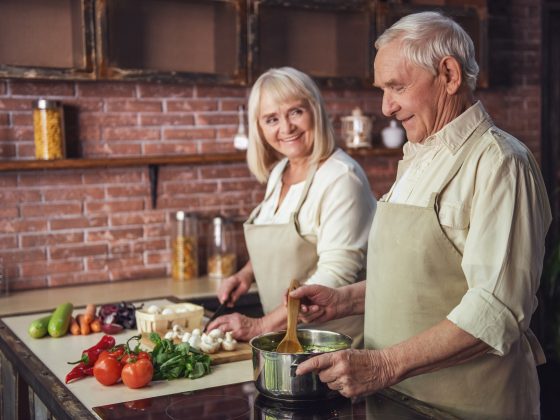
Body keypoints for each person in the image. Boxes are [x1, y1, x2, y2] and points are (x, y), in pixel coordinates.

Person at [291, 11, 552, 420]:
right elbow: (422, 281)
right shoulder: (419, 156)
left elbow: (496, 309)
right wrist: (343, 300)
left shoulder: (501, 163)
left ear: (448, 75)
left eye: (397, 86)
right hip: (398, 400)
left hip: (464, 409)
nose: (386, 107)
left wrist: (383, 365)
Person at [206, 67, 376, 347]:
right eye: (271, 119)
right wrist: (246, 275)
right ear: (260, 128)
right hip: (290, 339)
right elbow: (279, 239)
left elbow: (335, 275)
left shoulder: (341, 178)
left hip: (334, 343)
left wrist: (259, 325)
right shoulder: (280, 172)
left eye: (296, 112)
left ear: (315, 110)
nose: (286, 128)